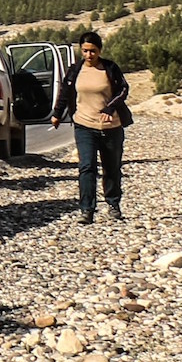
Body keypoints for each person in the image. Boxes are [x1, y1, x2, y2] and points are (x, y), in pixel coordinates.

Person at [51, 31, 133, 223]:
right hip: (84, 125)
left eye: (93, 51)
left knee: (111, 167)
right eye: (85, 51)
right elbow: (65, 92)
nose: (89, 55)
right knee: (86, 167)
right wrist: (57, 113)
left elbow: (123, 90)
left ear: (100, 50)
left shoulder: (110, 68)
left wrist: (110, 107)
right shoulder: (75, 71)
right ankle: (87, 210)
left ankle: (113, 204)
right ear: (81, 51)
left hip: (111, 127)